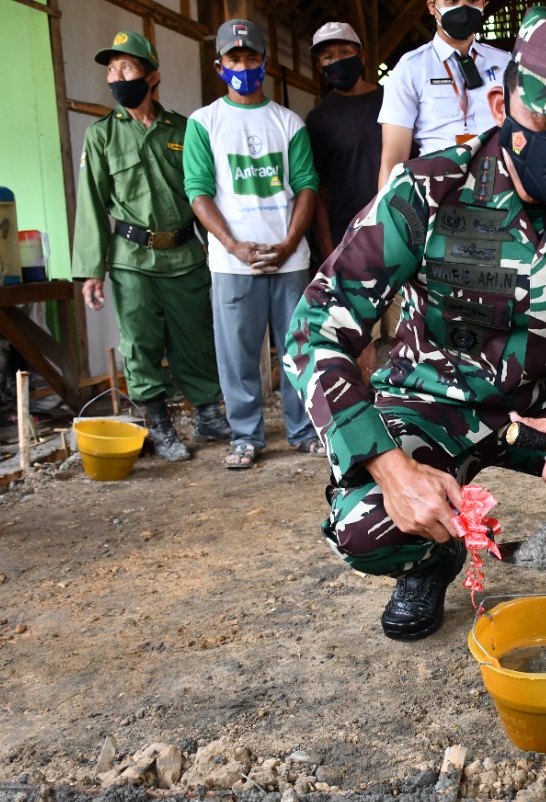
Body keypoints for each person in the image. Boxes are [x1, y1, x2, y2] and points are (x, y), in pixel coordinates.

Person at [286, 6, 546, 684]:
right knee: (366, 523)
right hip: (431, 400)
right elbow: (316, 326)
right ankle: (432, 560)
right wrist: (394, 471)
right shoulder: (429, 189)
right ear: (505, 98)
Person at [72, 30, 231, 463]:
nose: (116, 77)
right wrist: (90, 270)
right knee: (140, 344)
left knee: (195, 339)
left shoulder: (183, 129)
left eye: (126, 67)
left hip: (184, 254)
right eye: (111, 69)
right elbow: (90, 203)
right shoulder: (102, 136)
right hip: (131, 259)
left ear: (152, 75)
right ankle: (159, 425)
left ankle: (207, 413)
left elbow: (207, 194)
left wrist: (223, 247)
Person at [184, 19, 323, 468]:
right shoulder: (204, 123)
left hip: (289, 260)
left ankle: (303, 430)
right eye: (233, 58)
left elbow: (306, 186)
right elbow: (198, 191)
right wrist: (231, 245)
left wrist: (287, 244)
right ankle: (246, 436)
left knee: (296, 350)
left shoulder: (288, 122)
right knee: (237, 355)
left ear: (265, 61)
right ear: (219, 65)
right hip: (232, 264)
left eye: (250, 57)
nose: (242, 65)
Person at [376, 0, 509, 187]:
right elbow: (394, 156)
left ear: (484, 4)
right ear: (432, 6)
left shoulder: (506, 64)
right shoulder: (411, 68)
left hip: (498, 183)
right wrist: (386, 212)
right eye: (452, 0)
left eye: (472, 0)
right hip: (435, 187)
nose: (463, 8)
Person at [305, 22, 384, 260]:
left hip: (402, 224)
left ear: (361, 56)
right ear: (320, 67)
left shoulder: (392, 100)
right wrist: (329, 249)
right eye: (328, 57)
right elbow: (317, 189)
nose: (336, 60)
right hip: (349, 235)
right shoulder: (319, 118)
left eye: (344, 52)